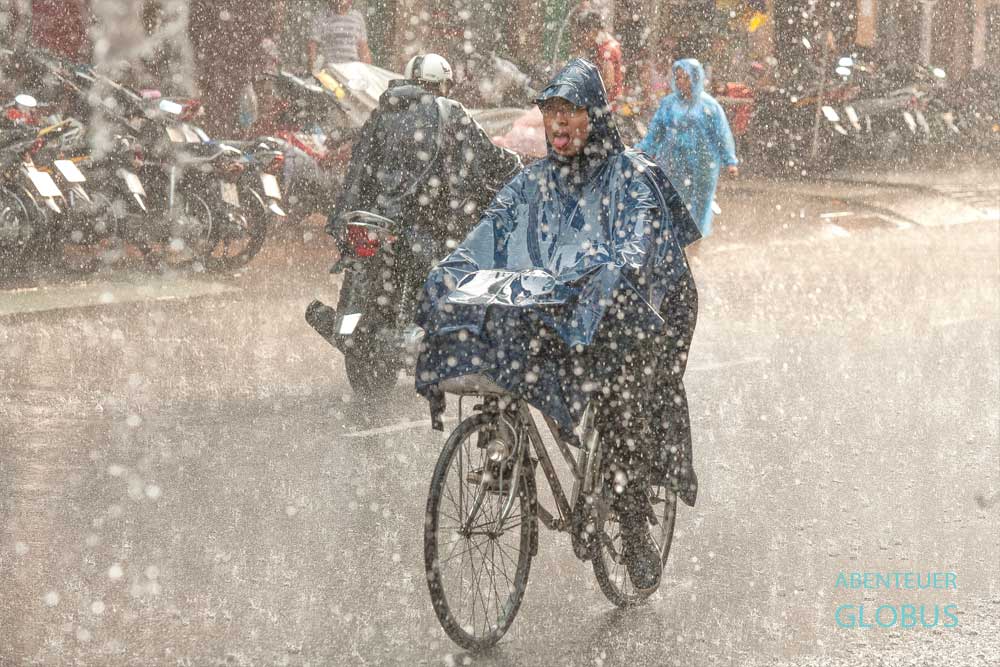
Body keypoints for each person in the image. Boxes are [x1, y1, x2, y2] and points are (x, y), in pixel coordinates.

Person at [414, 59, 700, 590]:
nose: (560, 123)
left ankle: (632, 523)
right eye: (551, 113)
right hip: (568, 308)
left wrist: (608, 275)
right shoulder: (533, 181)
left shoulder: (630, 176)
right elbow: (491, 229)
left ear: (594, 116)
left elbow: (639, 246)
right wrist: (450, 274)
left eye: (570, 111)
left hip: (639, 313)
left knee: (620, 403)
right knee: (504, 345)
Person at [333, 52, 521, 286]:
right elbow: (488, 154)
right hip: (426, 221)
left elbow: (358, 167)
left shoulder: (382, 111)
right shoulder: (448, 110)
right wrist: (515, 167)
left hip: (375, 217)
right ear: (442, 84)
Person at [638, 58, 739, 241]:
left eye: (685, 77)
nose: (680, 82)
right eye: (677, 78)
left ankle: (694, 247)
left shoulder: (710, 106)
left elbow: (722, 134)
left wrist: (730, 161)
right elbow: (655, 133)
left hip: (703, 166)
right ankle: (676, 244)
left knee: (699, 209)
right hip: (672, 164)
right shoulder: (668, 104)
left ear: (696, 78)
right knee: (673, 204)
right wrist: (640, 152)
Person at [570, 9, 623, 104]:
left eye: (584, 33)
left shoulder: (606, 50)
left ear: (594, 31)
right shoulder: (604, 44)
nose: (582, 37)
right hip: (608, 103)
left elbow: (608, 82)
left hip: (606, 105)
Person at [307, 0, 371, 70]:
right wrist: (313, 67)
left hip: (352, 70)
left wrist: (367, 71)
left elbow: (363, 48)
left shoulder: (357, 17)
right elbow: (312, 46)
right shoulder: (321, 17)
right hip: (329, 70)